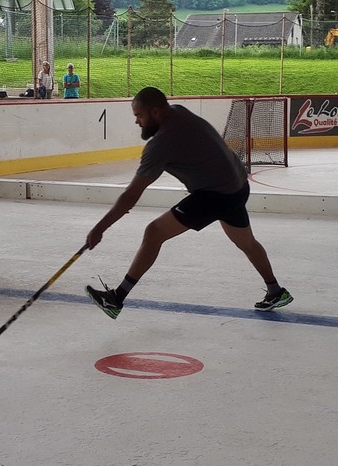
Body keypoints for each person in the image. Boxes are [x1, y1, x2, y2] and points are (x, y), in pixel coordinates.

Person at [84, 86, 293, 320]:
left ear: (154, 112)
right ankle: (275, 291)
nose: (138, 122)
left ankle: (117, 298)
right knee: (246, 242)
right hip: (237, 185)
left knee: (154, 233)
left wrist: (100, 228)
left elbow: (132, 194)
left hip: (215, 195)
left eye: (139, 116)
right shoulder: (179, 112)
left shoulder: (161, 143)